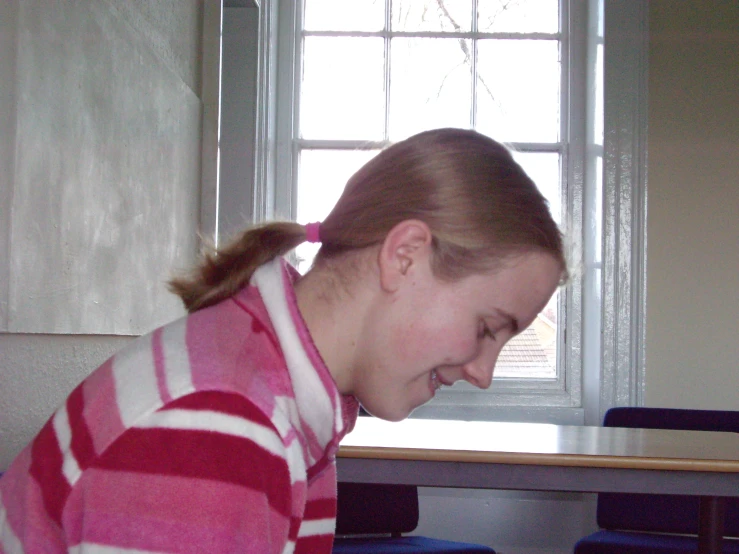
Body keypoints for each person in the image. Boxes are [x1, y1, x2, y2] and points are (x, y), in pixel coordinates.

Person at [0, 128, 567, 553]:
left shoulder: (282, 392)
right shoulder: (220, 419)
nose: (484, 372)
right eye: (488, 329)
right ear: (405, 257)